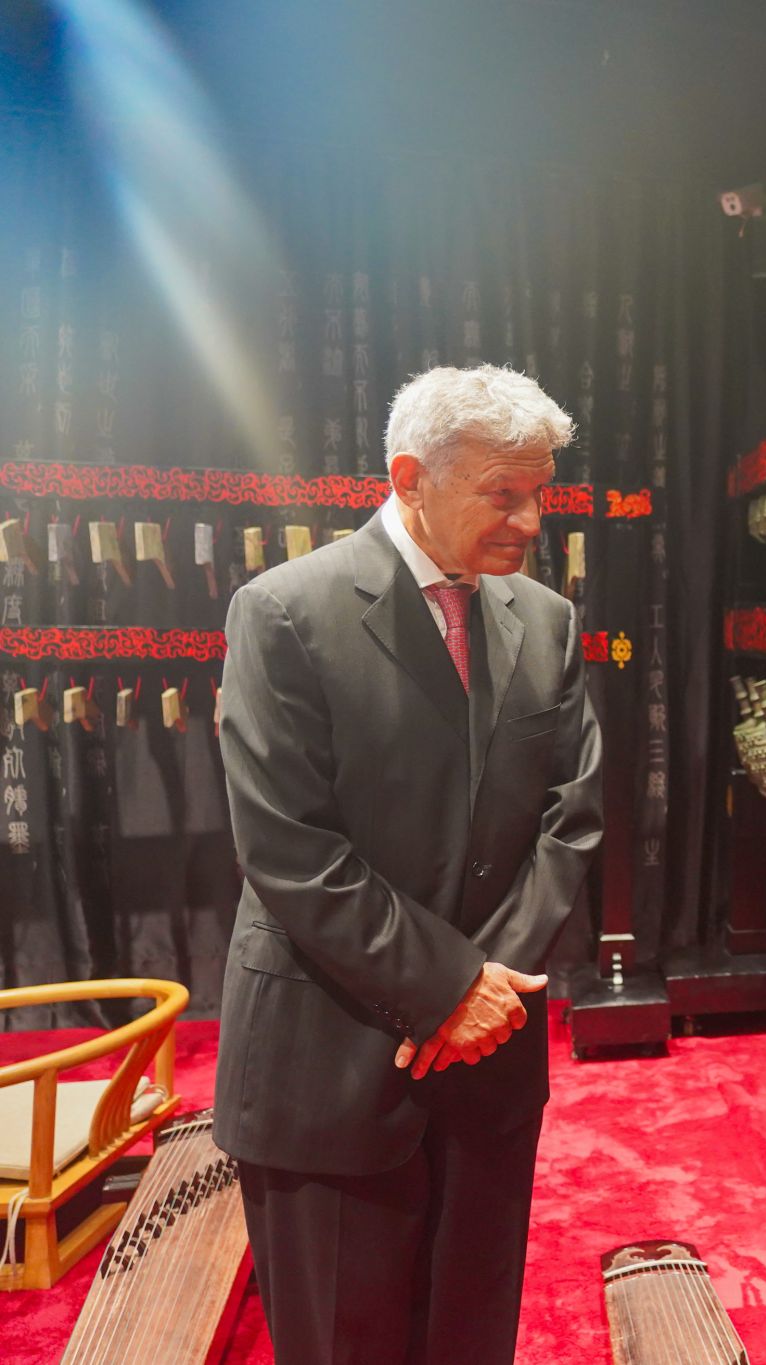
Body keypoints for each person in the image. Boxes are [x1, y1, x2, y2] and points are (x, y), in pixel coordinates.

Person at [214, 364, 603, 1365]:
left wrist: (488, 989)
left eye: (540, 492)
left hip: (491, 1060)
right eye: (502, 494)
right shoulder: (285, 612)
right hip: (329, 1059)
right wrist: (446, 986)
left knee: (471, 1336)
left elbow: (570, 818)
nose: (530, 522)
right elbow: (289, 846)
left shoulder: (545, 620)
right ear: (409, 477)